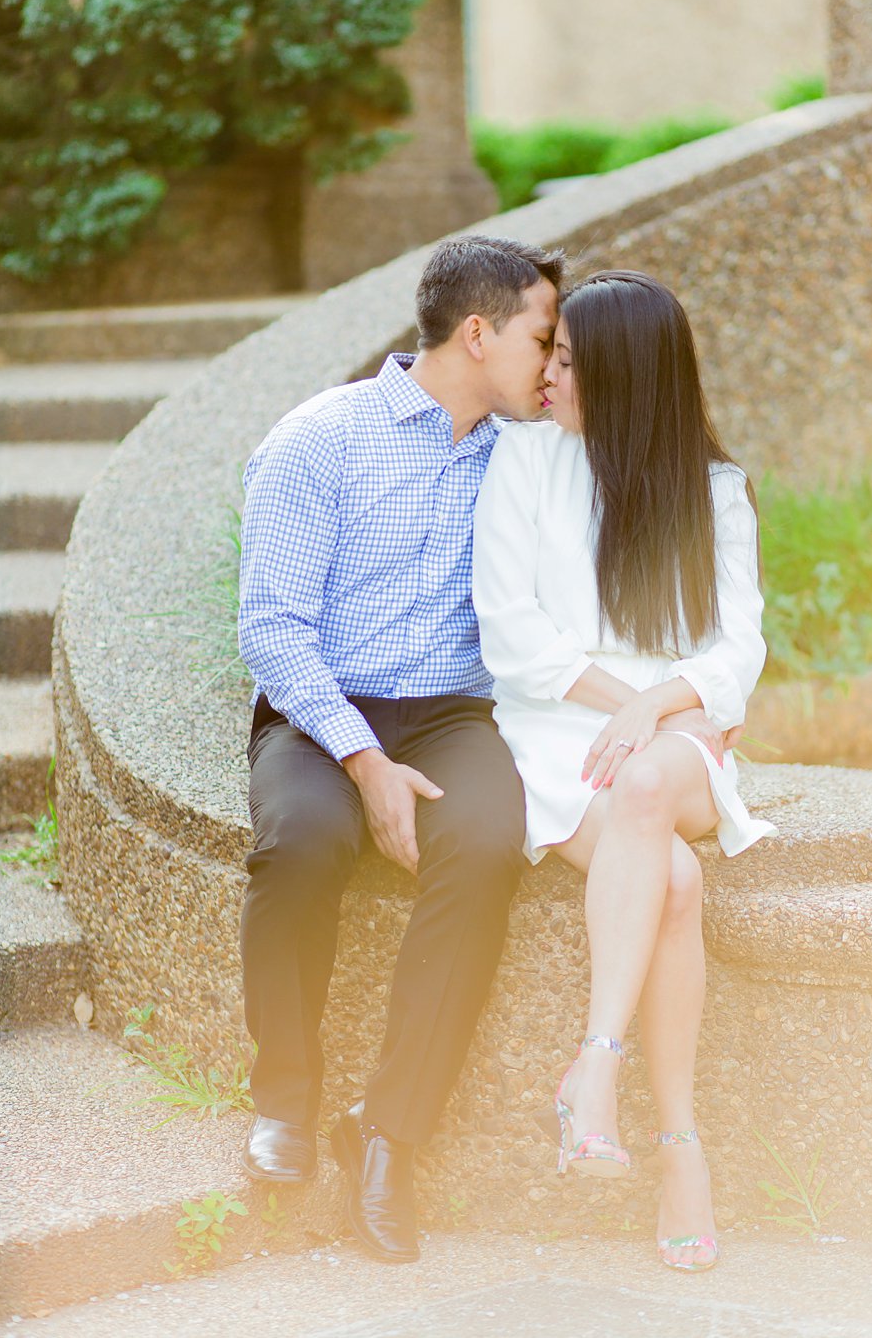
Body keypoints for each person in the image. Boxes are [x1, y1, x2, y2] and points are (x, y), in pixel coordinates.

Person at [236, 234, 565, 1263]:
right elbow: (271, 630)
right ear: (477, 333)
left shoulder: (526, 454)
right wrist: (362, 762)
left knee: (482, 845)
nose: (551, 362)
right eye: (539, 337)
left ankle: (386, 1135)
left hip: (455, 713)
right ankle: (285, 1094)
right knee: (298, 843)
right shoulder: (316, 440)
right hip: (318, 706)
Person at [473, 270, 773, 1273]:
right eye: (548, 354)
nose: (545, 375)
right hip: (555, 729)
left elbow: (734, 656)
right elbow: (510, 636)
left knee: (647, 784)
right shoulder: (518, 462)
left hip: (675, 739)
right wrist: (622, 703)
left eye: (566, 363)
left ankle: (591, 1070)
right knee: (674, 884)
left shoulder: (714, 494)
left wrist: (656, 707)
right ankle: (680, 1146)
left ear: (626, 378)